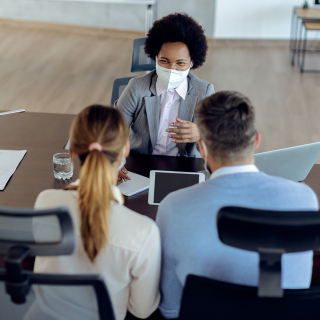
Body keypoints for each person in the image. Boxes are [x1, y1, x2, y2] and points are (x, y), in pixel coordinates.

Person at [156, 91, 319, 319]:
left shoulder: (173, 206)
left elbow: (170, 308)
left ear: (202, 148)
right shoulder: (305, 198)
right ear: (256, 140)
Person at [29, 105, 161, 320]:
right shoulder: (144, 232)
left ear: (72, 151)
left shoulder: (45, 202)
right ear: (125, 148)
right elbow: (142, 310)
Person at [115, 13, 214, 164]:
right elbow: (114, 130)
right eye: (164, 61)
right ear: (155, 57)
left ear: (192, 62)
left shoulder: (204, 91)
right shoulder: (137, 87)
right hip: (141, 163)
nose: (172, 69)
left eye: (180, 63)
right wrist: (117, 163)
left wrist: (203, 133)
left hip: (184, 166)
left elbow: (222, 136)